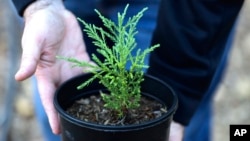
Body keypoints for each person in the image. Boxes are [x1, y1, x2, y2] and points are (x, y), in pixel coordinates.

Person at [11, 0, 244, 141]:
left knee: (181, 122)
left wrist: (178, 79)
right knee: (58, 116)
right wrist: (39, 4)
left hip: (174, 9)